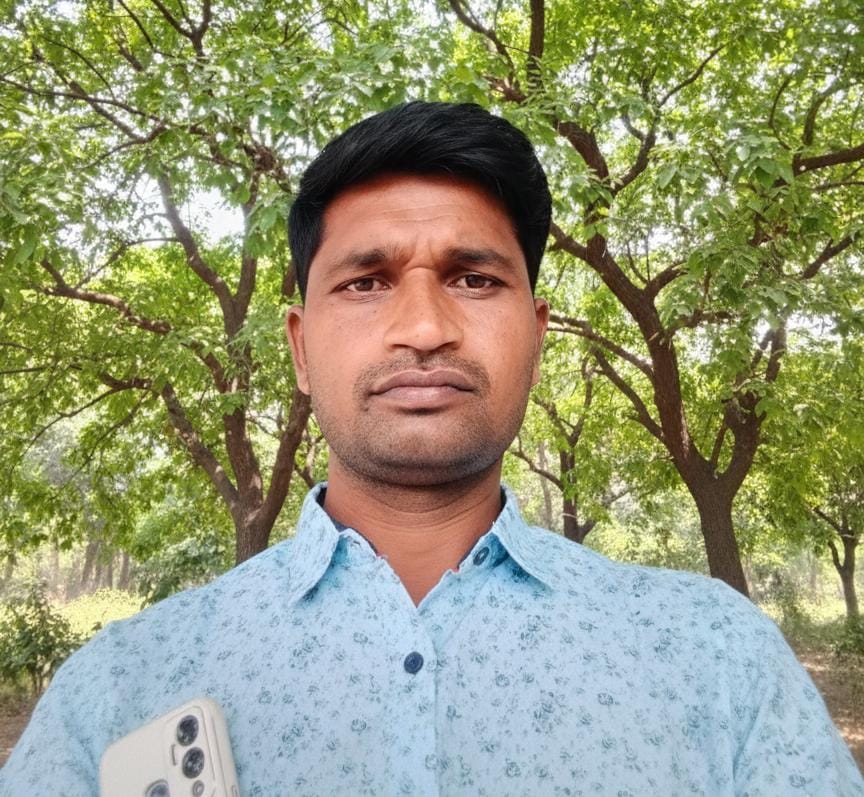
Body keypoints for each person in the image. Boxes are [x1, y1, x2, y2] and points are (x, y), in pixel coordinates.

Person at [1, 101, 861, 796]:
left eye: (473, 278)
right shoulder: (114, 693)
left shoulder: (719, 657)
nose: (422, 327)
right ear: (300, 347)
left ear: (536, 336)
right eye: (366, 281)